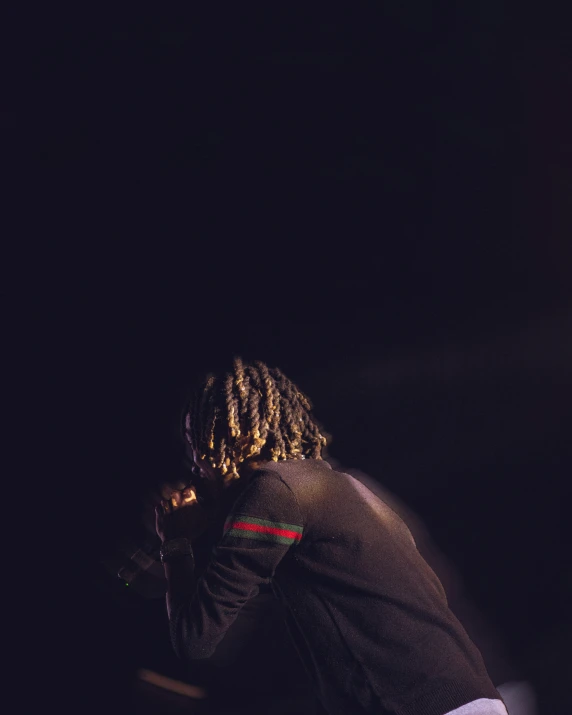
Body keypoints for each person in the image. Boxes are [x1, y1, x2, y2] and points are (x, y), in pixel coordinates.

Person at [155, 357, 509, 715]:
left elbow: (194, 637)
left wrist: (176, 541)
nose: (195, 462)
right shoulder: (338, 486)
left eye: (196, 440)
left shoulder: (274, 491)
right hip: (465, 700)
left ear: (236, 436)